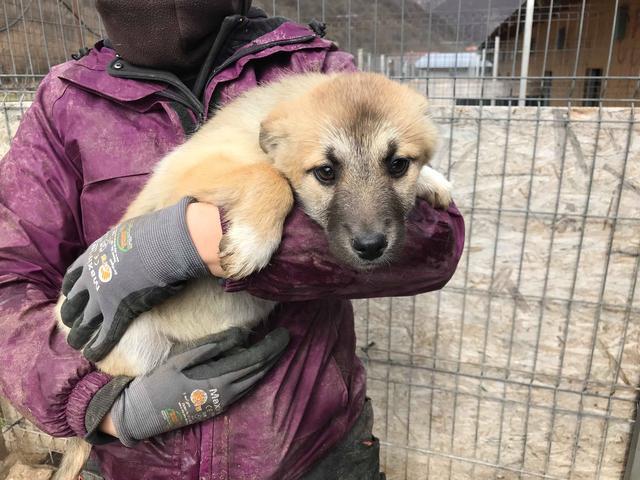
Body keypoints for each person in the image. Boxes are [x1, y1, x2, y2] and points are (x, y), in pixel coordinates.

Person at [0, 1, 465, 479]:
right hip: (137, 457)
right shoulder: (65, 101)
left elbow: (436, 245)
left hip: (308, 451)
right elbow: (7, 280)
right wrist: (104, 409)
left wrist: (191, 240)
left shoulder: (311, 68)